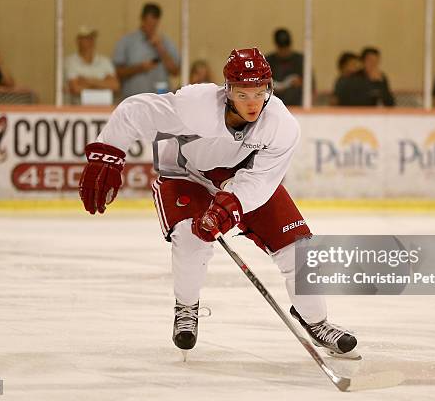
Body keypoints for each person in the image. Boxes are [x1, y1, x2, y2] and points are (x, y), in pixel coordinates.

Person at [78, 48, 359, 359]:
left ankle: (316, 321)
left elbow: (262, 180)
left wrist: (231, 203)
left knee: (298, 247)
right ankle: (187, 307)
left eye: (259, 92)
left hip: (240, 179)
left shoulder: (281, 124)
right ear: (228, 91)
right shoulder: (194, 106)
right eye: (242, 94)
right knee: (190, 239)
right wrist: (108, 152)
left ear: (269, 89)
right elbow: (135, 111)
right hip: (186, 174)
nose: (253, 102)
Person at [113, 2, 180, 99]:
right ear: (142, 19)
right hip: (134, 100)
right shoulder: (127, 42)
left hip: (160, 100)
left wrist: (160, 48)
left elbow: (175, 71)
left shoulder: (165, 42)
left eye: (154, 25)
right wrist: (140, 68)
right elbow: (117, 73)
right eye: (149, 24)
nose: (151, 28)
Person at [65, 26, 119, 104]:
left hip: (102, 109)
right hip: (77, 110)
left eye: (92, 38)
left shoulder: (104, 61)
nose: (90, 41)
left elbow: (115, 86)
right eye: (86, 38)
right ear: (78, 40)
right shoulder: (70, 62)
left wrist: (88, 81)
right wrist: (103, 84)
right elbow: (76, 88)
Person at [265, 29, 306, 106]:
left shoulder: (300, 60)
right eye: (281, 48)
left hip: (296, 105)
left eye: (286, 48)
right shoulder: (268, 61)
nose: (284, 52)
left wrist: (300, 82)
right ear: (276, 46)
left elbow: (310, 85)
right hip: (274, 104)